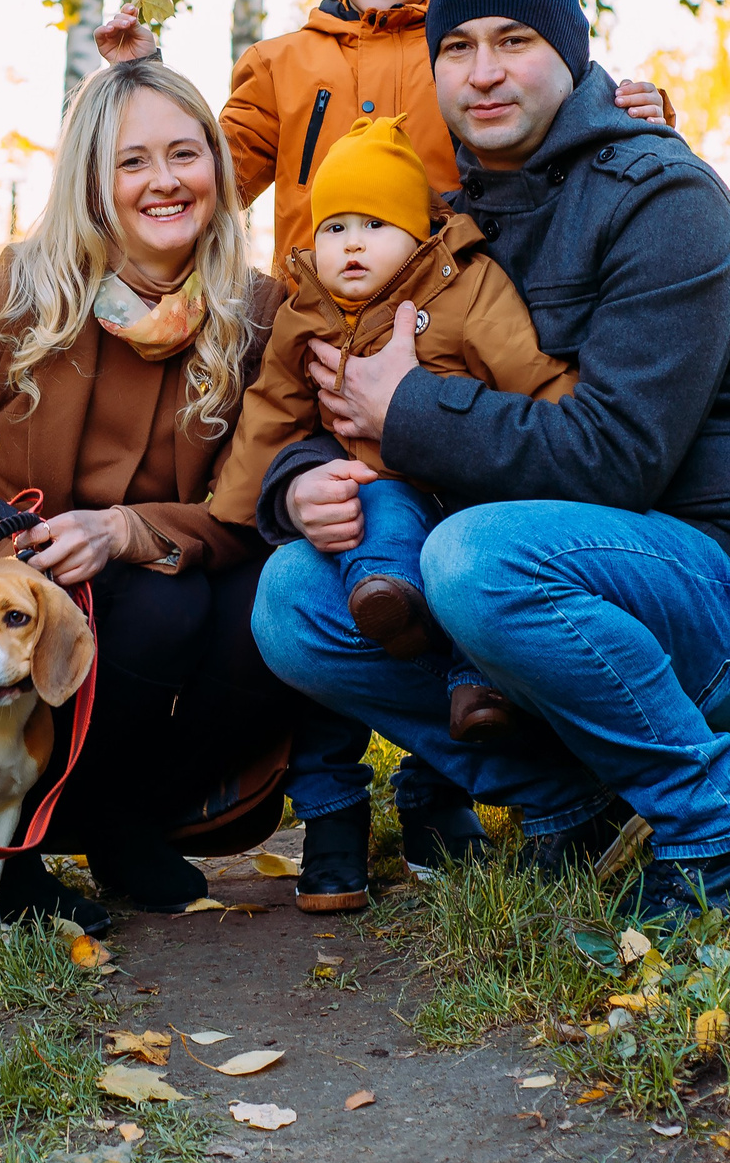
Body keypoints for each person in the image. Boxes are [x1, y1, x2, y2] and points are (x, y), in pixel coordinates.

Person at [249, 0, 730, 928]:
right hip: (592, 573)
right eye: (457, 47)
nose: (483, 72)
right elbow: (351, 381)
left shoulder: (661, 195)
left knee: (471, 556)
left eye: (514, 41)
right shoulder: (454, 221)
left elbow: (614, 458)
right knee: (291, 598)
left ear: (570, 52)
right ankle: (571, 804)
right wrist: (303, 479)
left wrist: (405, 406)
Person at [0, 57, 300, 930]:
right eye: (132, 161)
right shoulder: (18, 295)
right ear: (93, 182)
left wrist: (129, 529)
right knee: (150, 611)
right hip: (16, 570)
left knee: (233, 606)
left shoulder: (256, 311)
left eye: (186, 154)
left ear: (218, 170)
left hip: (171, 561)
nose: (164, 181)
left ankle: (119, 817)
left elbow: (247, 506)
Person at [93, 0, 678, 270]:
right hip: (312, 308)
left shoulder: (463, 62)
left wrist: (636, 119)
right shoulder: (281, 64)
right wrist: (146, 77)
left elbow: (552, 139)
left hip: (450, 305)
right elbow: (217, 174)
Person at [209, 112, 580, 756]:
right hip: (383, 484)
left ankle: (469, 680)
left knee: (465, 550)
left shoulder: (465, 286)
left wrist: (570, 421)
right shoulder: (306, 312)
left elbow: (526, 368)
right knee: (373, 506)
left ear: (419, 234)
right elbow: (273, 407)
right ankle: (387, 599)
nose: (352, 245)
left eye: (375, 226)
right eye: (335, 228)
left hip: (470, 477)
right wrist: (233, 514)